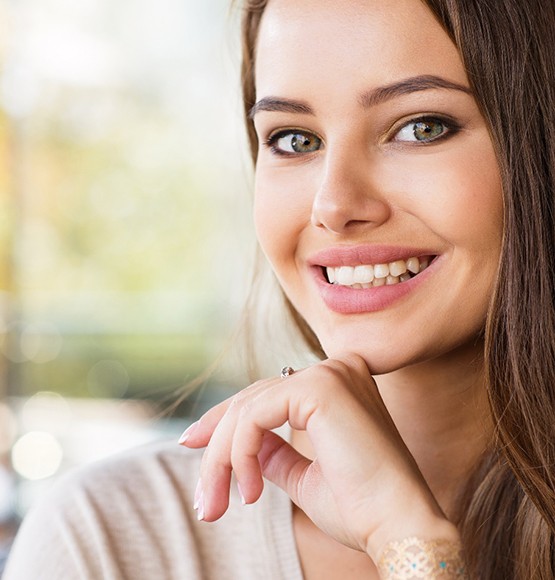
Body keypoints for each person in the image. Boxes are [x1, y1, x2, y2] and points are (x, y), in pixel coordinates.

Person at [4, 0, 555, 578]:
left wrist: (409, 543)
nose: (334, 205)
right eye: (295, 140)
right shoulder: (106, 540)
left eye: (421, 128)